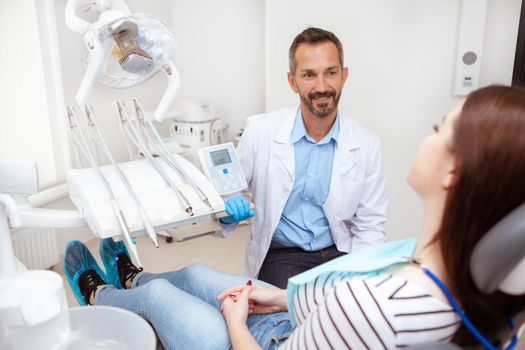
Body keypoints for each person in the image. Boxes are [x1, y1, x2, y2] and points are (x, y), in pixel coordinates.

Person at [64, 85, 525, 349]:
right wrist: (282, 298)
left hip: (265, 341)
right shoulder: (476, 289)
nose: (430, 136)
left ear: (453, 171)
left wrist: (236, 322)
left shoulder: (378, 306)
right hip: (303, 319)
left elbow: (358, 299)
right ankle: (132, 277)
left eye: (439, 130)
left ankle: (98, 293)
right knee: (198, 271)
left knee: (164, 298)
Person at [219, 27, 388, 288]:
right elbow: (228, 192)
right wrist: (228, 209)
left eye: (330, 73)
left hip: (339, 253)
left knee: (357, 318)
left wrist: (360, 280)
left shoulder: (367, 144)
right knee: (292, 321)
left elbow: (370, 225)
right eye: (309, 75)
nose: (322, 87)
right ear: (292, 81)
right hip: (283, 254)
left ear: (344, 76)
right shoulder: (261, 131)